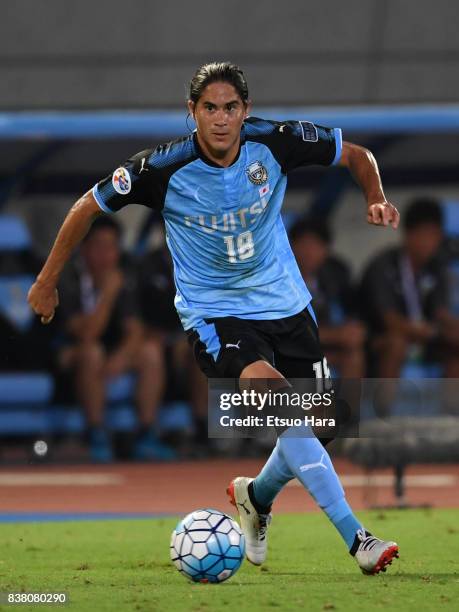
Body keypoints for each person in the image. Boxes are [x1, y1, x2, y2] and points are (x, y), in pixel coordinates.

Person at [28, 62, 400, 574]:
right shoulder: (161, 169)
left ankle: (256, 497)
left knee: (327, 424)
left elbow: (358, 155)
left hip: (286, 303)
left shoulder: (276, 142)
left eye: (230, 108)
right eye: (209, 109)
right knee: (278, 401)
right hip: (215, 313)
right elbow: (87, 207)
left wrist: (376, 196)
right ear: (192, 113)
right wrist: (46, 282)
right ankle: (358, 539)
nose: (220, 119)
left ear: (245, 111)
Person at [56, 216, 174, 462]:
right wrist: (108, 294)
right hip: (68, 355)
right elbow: (86, 334)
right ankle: (96, 433)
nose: (106, 254)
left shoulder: (125, 273)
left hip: (110, 353)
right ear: (84, 248)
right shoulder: (67, 278)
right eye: (99, 246)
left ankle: (145, 433)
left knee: (150, 352)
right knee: (92, 352)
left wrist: (121, 357)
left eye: (112, 247)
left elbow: (134, 329)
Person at [360, 198, 454, 377]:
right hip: (381, 340)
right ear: (408, 234)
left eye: (434, 235)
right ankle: (384, 405)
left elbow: (442, 313)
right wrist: (432, 332)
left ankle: (451, 405)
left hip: (426, 338)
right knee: (397, 343)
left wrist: (450, 328)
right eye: (423, 234)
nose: (429, 242)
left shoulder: (437, 268)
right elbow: (390, 321)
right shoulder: (383, 266)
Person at [290, 216, 366, 378]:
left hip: (326, 348)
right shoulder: (278, 279)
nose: (309, 252)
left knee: (354, 356)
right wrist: (336, 335)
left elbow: (354, 313)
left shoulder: (336, 274)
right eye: (304, 244)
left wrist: (353, 330)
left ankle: (349, 404)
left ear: (326, 250)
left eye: (316, 245)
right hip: (290, 351)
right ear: (290, 246)